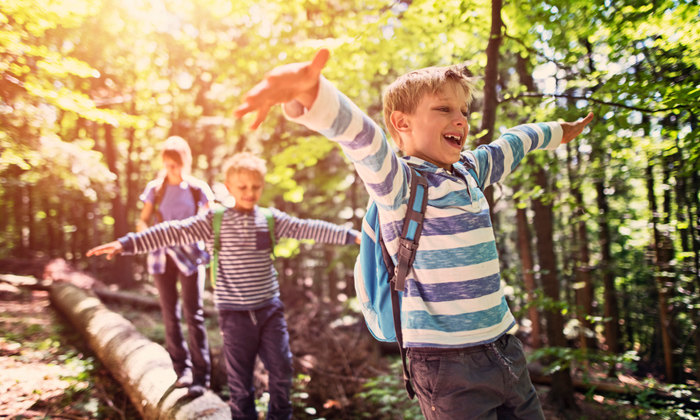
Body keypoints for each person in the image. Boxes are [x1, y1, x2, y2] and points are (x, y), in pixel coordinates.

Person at [233, 49, 594, 420]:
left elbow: (513, 143)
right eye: (444, 110)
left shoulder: (471, 170)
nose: (460, 120)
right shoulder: (400, 185)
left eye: (463, 112)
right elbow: (363, 139)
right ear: (402, 124)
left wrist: (557, 132)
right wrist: (314, 94)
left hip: (505, 348)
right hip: (447, 365)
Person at [88, 151, 361, 420]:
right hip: (234, 315)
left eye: (255, 187)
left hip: (269, 311)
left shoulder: (269, 220)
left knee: (282, 371)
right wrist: (126, 244)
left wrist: (353, 236)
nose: (249, 192)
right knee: (241, 383)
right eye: (242, 187)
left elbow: (308, 228)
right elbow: (171, 231)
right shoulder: (214, 220)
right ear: (228, 187)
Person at [135, 135, 214, 397]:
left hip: (192, 258)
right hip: (162, 257)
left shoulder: (197, 189)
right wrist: (148, 235)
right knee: (170, 313)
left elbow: (210, 220)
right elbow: (143, 220)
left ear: (185, 162)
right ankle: (182, 370)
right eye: (168, 164)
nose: (172, 169)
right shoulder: (155, 190)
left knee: (194, 313)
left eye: (176, 164)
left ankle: (202, 376)